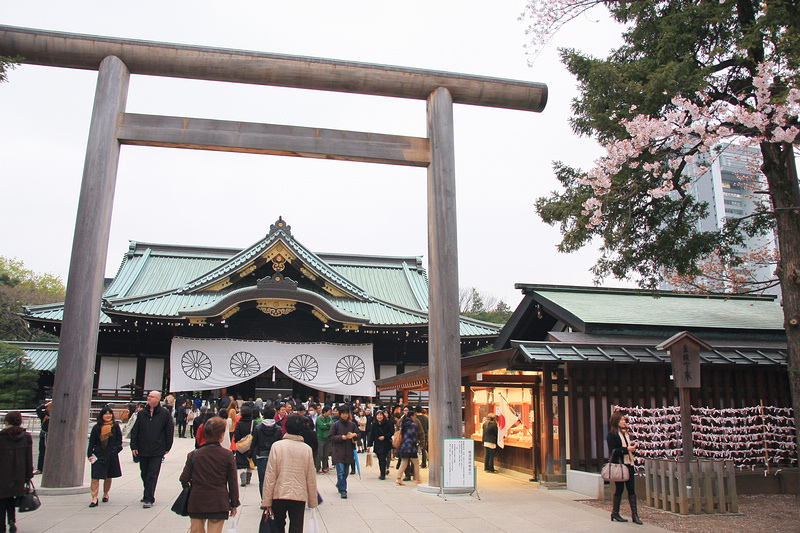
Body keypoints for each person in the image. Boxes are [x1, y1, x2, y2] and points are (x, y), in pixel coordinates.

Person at [180, 416, 240, 533]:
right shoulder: (227, 455)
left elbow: (184, 478)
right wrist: (234, 503)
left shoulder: (194, 455)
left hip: (197, 500)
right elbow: (232, 481)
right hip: (218, 501)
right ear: (222, 435)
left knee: (196, 530)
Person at [260, 414, 318, 533]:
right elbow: (310, 477)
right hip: (298, 495)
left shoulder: (277, 446)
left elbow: (270, 475)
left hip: (279, 493)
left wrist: (266, 501)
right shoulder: (306, 449)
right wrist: (312, 501)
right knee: (296, 527)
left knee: (277, 526)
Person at [131, 390, 174, 508]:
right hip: (143, 447)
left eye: (152, 396)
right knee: (144, 473)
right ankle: (147, 492)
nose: (149, 398)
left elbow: (169, 431)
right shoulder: (142, 413)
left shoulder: (164, 414)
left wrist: (167, 446)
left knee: (152, 474)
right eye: (148, 396)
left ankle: (149, 498)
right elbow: (135, 431)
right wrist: (133, 446)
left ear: (158, 399)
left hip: (157, 449)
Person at [607, 410, 642, 525]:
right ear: (616, 421)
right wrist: (627, 450)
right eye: (622, 420)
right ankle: (615, 513)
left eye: (624, 419)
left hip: (629, 463)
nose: (624, 421)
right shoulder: (612, 435)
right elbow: (613, 451)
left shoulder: (626, 433)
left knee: (631, 489)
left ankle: (635, 515)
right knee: (620, 489)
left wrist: (631, 449)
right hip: (620, 464)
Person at [0, 411, 33, 533]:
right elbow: (28, 458)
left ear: (7, 422)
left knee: (2, 500)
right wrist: (28, 475)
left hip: (3, 475)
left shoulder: (1, 437)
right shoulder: (26, 437)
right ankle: (12, 522)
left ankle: (2, 526)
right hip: (19, 475)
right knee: (11, 499)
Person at [87, 405, 123, 507]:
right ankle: (94, 497)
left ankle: (105, 493)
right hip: (98, 454)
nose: (108, 416)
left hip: (111, 454)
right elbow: (92, 442)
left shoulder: (115, 426)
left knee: (108, 476)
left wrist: (115, 450)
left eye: (109, 414)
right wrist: (89, 454)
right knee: (95, 476)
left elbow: (119, 440)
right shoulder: (96, 427)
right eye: (106, 414)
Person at [250, 407, 282, 496]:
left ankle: (264, 500)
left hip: (261, 455)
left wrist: (250, 455)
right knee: (274, 479)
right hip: (274, 456)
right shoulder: (278, 429)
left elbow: (254, 442)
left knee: (262, 480)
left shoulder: (258, 428)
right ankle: (272, 499)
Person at [329, 404, 358, 499]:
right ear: (340, 414)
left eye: (346, 413)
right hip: (338, 452)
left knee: (345, 473)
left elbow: (359, 434)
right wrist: (341, 437)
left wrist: (354, 435)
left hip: (349, 452)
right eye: (343, 414)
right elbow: (331, 437)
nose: (345, 415)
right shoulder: (335, 425)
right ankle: (343, 490)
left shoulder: (352, 425)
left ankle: (340, 483)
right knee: (340, 472)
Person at [395, 410, 422, 485]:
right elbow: (413, 436)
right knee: (416, 462)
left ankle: (398, 478)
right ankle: (417, 479)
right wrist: (416, 443)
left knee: (404, 462)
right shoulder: (412, 425)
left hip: (404, 446)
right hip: (411, 447)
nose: (415, 417)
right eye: (415, 416)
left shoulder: (404, 423)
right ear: (412, 416)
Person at [233, 405, 255, 487]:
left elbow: (236, 435)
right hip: (251, 446)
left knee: (242, 463)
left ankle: (243, 478)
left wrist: (238, 442)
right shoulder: (254, 423)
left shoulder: (239, 423)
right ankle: (248, 478)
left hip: (241, 446)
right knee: (249, 462)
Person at [369, 410, 394, 480]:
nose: (379, 417)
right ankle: (382, 471)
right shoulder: (374, 424)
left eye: (381, 415)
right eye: (378, 415)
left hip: (385, 443)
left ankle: (383, 473)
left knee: (383, 458)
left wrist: (385, 436)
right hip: (377, 443)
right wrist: (369, 444)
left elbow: (391, 432)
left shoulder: (387, 423)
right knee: (380, 458)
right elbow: (372, 434)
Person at [33, 400, 51, 474]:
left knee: (50, 453)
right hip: (44, 435)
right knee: (42, 452)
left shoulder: (56, 415)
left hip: (52, 436)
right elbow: (38, 409)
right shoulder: (44, 415)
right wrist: (45, 405)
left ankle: (50, 467)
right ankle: (40, 468)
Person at [315, 406, 333, 473]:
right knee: (320, 454)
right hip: (321, 438)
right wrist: (328, 424)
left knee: (326, 454)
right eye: (329, 411)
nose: (330, 413)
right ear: (325, 411)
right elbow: (322, 426)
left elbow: (332, 424)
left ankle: (325, 467)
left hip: (327, 438)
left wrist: (326, 424)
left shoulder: (329, 418)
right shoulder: (319, 418)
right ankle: (318, 468)